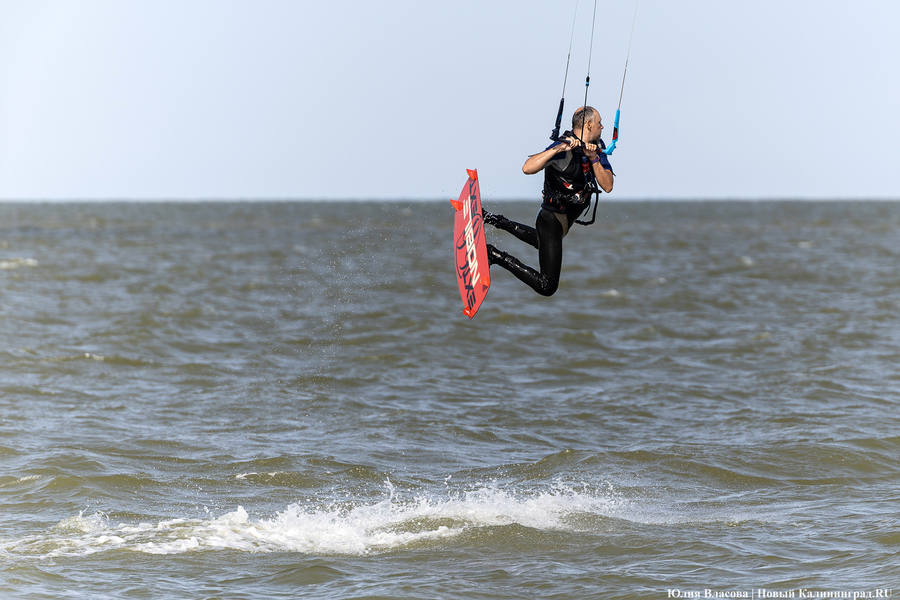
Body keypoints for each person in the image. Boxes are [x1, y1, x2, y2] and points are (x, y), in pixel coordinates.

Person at [484, 106, 614, 296]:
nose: (602, 127)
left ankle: (492, 218)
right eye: (600, 123)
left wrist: (593, 158)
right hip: (551, 219)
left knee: (541, 242)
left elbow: (608, 185)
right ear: (589, 124)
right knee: (547, 286)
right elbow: (527, 168)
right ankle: (494, 255)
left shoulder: (597, 149)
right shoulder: (563, 150)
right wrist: (558, 148)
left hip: (561, 224)